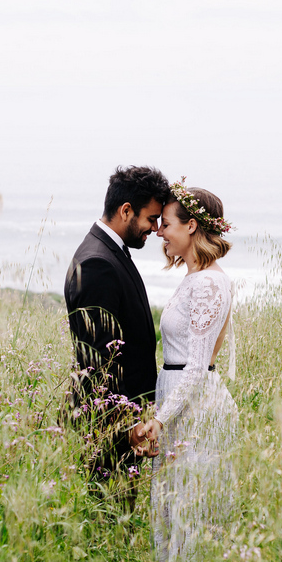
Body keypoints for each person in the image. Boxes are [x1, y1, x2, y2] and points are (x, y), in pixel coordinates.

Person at [142, 179, 237, 562]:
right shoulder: (196, 278)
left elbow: (198, 365)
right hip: (181, 399)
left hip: (193, 409)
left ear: (192, 226)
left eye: (166, 224)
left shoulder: (208, 285)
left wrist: (160, 420)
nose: (160, 231)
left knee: (189, 515)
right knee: (170, 511)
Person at [64, 165, 170, 473]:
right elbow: (97, 361)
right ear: (126, 210)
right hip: (110, 434)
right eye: (151, 218)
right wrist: (125, 433)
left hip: (123, 424)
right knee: (109, 518)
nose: (155, 228)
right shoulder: (99, 263)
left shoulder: (111, 252)